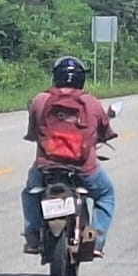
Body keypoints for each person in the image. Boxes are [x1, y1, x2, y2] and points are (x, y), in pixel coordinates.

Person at [21, 56, 118, 257]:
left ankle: (32, 238)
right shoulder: (91, 103)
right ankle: (97, 241)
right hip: (84, 169)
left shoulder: (40, 101)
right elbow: (106, 131)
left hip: (46, 168)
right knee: (105, 195)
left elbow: (32, 134)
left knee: (30, 193)